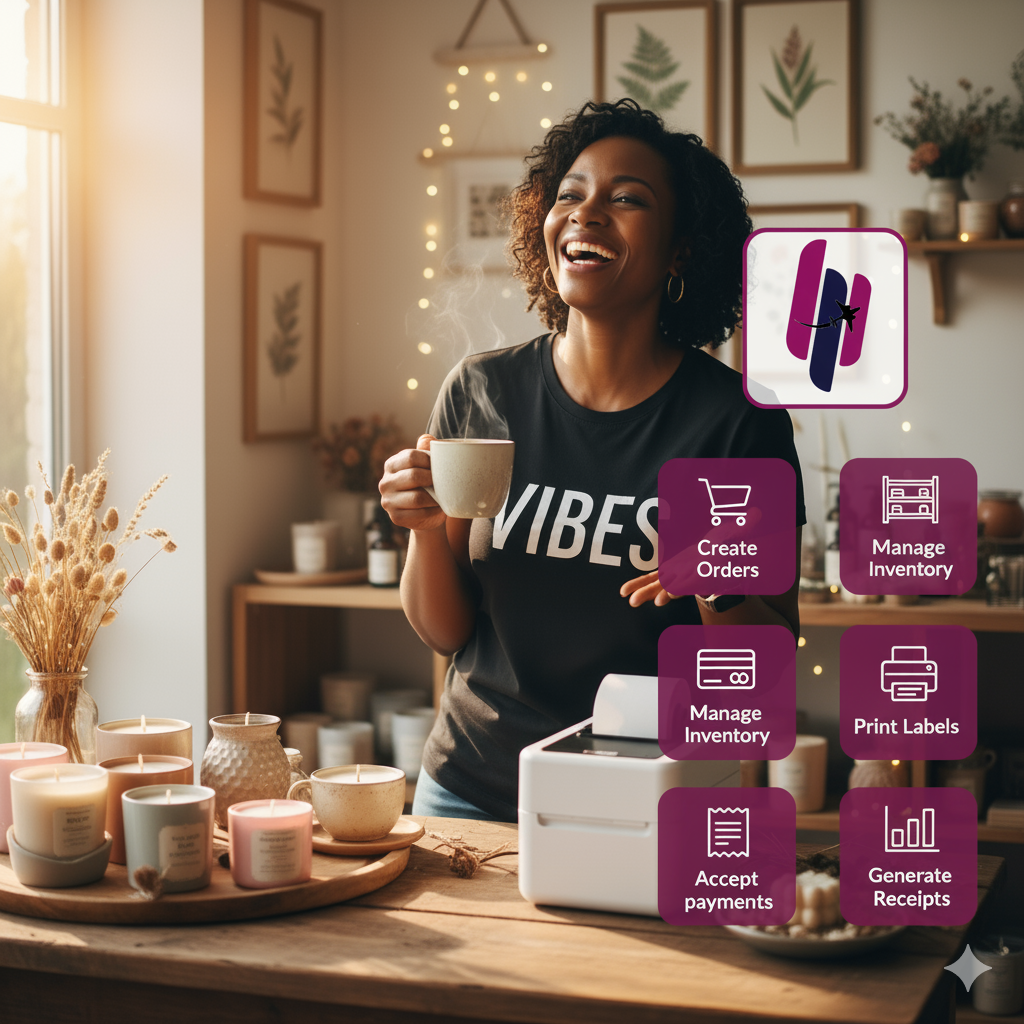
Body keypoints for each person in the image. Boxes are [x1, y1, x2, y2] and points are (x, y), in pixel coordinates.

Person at [379, 99, 805, 822]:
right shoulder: (482, 391)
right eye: (569, 194)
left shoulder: (736, 423)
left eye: (627, 198)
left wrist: (716, 585)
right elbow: (448, 631)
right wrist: (421, 527)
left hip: (649, 799)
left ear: (680, 250)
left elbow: (766, 664)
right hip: (470, 791)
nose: (586, 212)